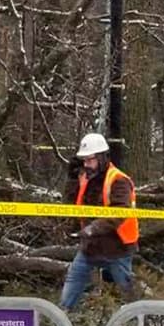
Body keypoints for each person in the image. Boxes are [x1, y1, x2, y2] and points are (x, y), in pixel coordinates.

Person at [59, 132, 139, 310]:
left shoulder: (119, 180)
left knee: (129, 296)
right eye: (84, 161)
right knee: (69, 293)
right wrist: (71, 179)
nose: (86, 165)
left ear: (102, 158)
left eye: (90, 160)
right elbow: (71, 204)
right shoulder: (85, 179)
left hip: (117, 249)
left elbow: (119, 212)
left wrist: (92, 229)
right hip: (90, 248)